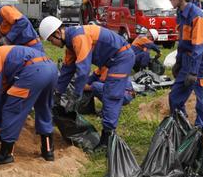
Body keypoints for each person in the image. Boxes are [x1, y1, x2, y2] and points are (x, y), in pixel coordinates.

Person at [39, 16, 134, 150]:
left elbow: (83, 70)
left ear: (58, 33)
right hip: (111, 60)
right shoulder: (71, 44)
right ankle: (107, 136)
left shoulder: (79, 37)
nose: (52, 43)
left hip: (121, 58)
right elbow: (67, 70)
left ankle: (107, 138)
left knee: (111, 95)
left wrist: (76, 95)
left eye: (51, 40)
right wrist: (57, 92)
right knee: (99, 88)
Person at [0, 42, 57, 164]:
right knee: (43, 108)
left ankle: (5, 154)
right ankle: (48, 151)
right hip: (51, 68)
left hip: (34, 71)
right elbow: (2, 93)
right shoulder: (1, 55)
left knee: (12, 109)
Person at [167, 0, 203, 133]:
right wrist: (179, 62)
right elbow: (182, 43)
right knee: (174, 98)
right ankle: (183, 129)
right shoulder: (181, 14)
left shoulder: (197, 16)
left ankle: (200, 136)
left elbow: (198, 46)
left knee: (202, 103)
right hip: (188, 60)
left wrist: (193, 71)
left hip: (202, 63)